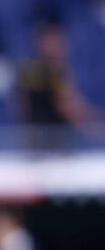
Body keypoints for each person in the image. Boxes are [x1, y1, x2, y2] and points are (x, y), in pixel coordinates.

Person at [15, 23, 100, 153]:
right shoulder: (44, 71)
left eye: (61, 42)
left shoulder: (39, 69)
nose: (59, 46)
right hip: (48, 143)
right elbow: (67, 106)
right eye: (53, 42)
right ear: (41, 44)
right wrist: (95, 128)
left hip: (48, 140)